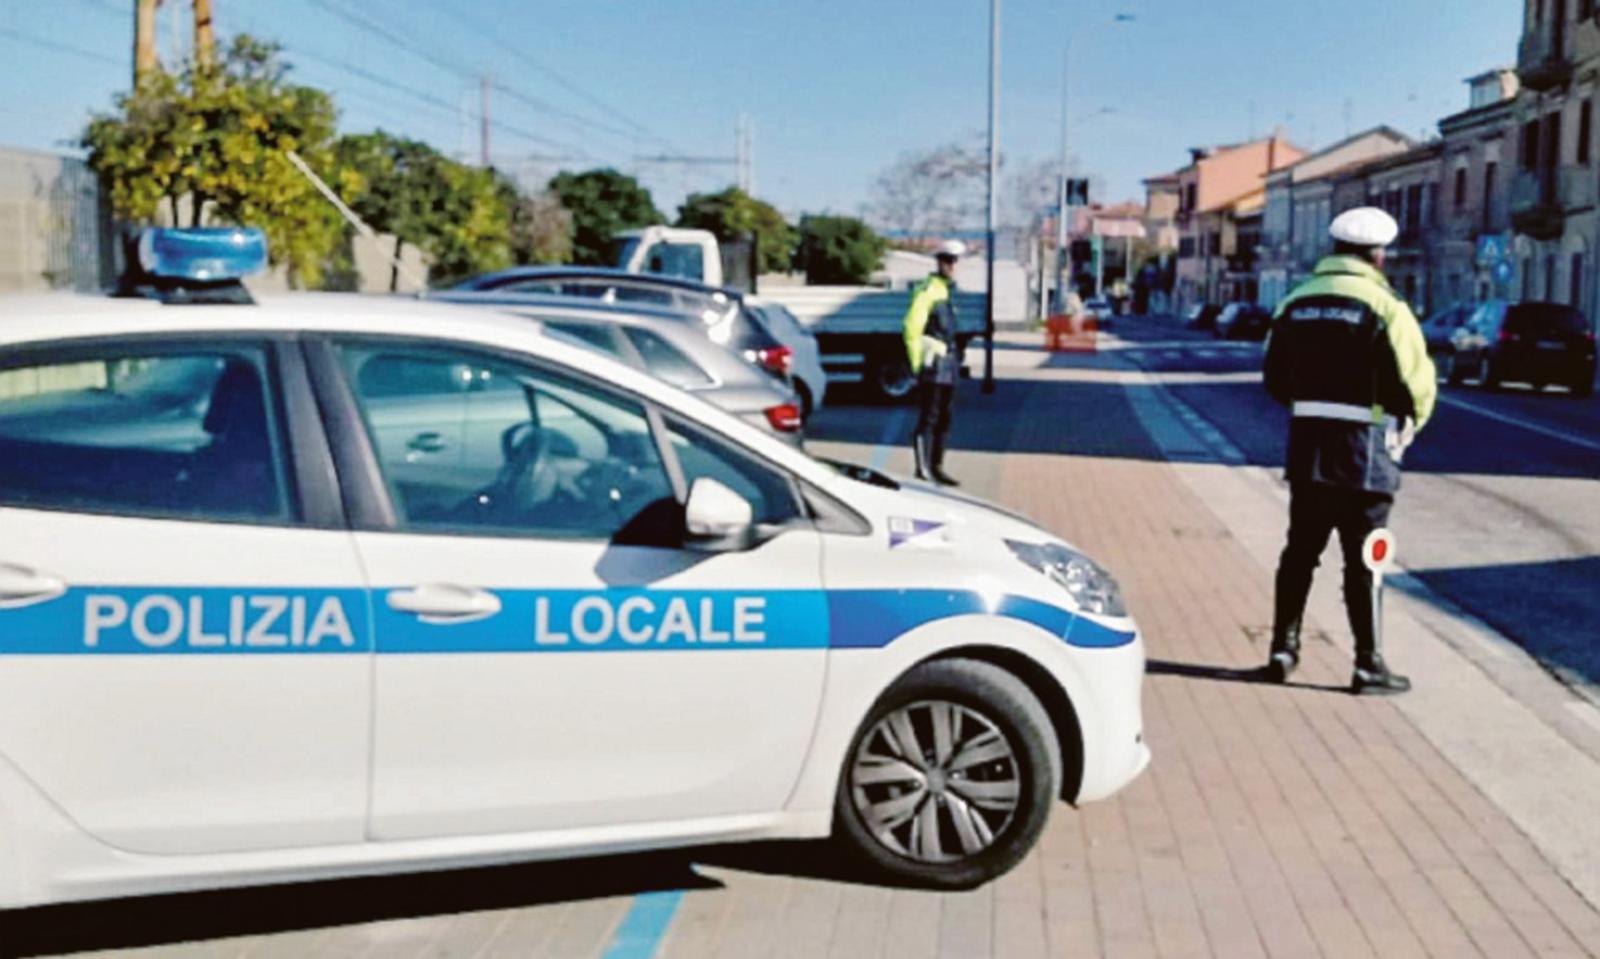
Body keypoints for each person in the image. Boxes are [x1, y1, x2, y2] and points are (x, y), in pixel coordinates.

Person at [1261, 207, 1436, 695]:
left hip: (1310, 449)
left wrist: (1311, 407)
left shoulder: (1295, 302)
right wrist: (1409, 425)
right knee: (1367, 558)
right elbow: (1416, 382)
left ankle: (1283, 647)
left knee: (1299, 553)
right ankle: (1367, 663)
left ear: (1334, 250)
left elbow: (1273, 377)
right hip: (1366, 454)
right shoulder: (1386, 306)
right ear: (1377, 255)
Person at [903, 240, 966, 486]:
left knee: (945, 417)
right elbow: (911, 328)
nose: (951, 266)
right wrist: (918, 363)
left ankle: (937, 466)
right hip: (933, 363)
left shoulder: (948, 291)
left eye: (954, 261)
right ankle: (922, 468)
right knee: (929, 417)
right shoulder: (928, 290)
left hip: (949, 364)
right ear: (938, 262)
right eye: (947, 261)